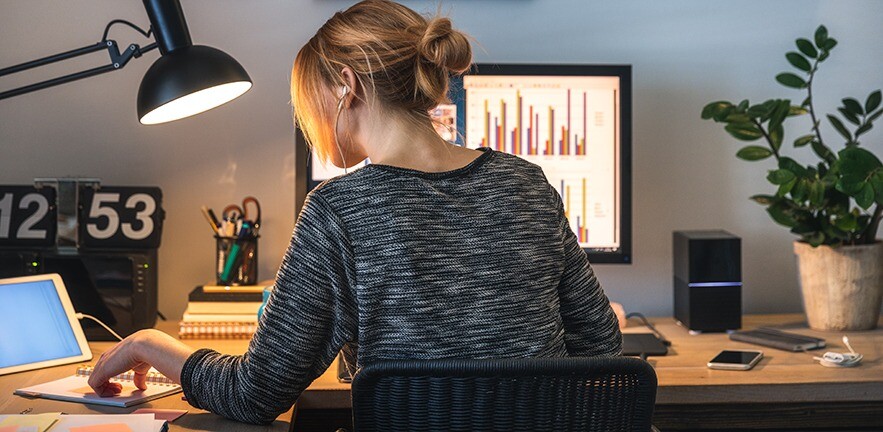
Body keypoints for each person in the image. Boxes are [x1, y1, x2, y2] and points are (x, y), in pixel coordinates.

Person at [88, 0, 622, 424]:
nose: (310, 124)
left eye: (308, 104)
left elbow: (256, 394)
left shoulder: (337, 210)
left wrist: (149, 343)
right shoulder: (525, 181)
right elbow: (601, 341)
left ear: (347, 84)